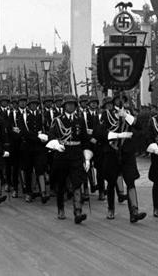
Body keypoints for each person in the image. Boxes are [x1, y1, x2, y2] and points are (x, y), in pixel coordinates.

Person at [98, 93, 146, 223]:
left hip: (127, 153)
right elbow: (100, 132)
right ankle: (111, 208)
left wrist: (126, 116)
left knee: (130, 181)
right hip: (112, 152)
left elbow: (139, 127)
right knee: (112, 181)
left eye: (123, 100)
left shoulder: (128, 114)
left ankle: (134, 211)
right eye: (119, 100)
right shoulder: (106, 114)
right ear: (114, 102)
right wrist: (116, 136)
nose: (121, 102)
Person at [47, 94, 91, 224]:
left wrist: (87, 157)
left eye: (72, 104)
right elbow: (51, 136)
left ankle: (78, 211)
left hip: (76, 155)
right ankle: (60, 208)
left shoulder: (80, 120)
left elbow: (85, 140)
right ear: (64, 106)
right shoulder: (57, 120)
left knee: (77, 182)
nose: (70, 106)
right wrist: (56, 145)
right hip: (62, 154)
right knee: (61, 183)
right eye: (68, 104)